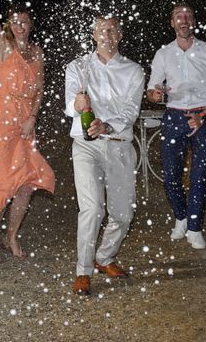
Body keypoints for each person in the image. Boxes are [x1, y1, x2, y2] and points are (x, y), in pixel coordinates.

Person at [0, 0, 55, 264]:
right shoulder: (3, 46)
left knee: (27, 183)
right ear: (10, 25)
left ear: (31, 24)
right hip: (1, 120)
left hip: (26, 121)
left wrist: (33, 118)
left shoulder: (37, 52)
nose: (20, 25)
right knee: (2, 179)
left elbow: (39, 91)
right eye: (16, 21)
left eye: (25, 20)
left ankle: (11, 236)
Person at [65, 16, 144, 296]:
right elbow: (70, 107)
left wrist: (107, 124)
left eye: (111, 29)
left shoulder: (134, 71)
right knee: (93, 208)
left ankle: (104, 258)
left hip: (120, 144)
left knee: (123, 214)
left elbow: (131, 111)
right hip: (86, 146)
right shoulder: (77, 67)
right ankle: (83, 270)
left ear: (120, 34)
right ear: (93, 35)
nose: (106, 34)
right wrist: (78, 104)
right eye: (100, 30)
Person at [146, 3, 206, 250]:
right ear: (172, 23)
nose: (183, 20)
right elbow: (151, 90)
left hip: (203, 117)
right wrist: (156, 95)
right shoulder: (163, 54)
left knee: (199, 175)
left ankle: (194, 227)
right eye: (178, 17)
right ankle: (181, 216)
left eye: (188, 16)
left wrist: (205, 114)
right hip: (174, 117)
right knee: (170, 175)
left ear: (194, 21)